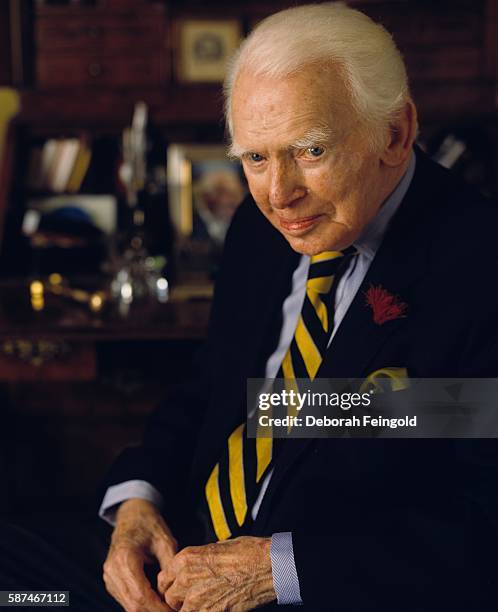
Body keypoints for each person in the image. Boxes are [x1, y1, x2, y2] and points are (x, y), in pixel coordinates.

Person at [1, 4, 497, 611]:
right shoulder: (258, 229)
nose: (280, 195)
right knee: (20, 587)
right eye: (255, 158)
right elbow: (212, 390)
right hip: (178, 559)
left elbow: (480, 525)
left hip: (316, 588)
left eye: (310, 151)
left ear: (393, 134)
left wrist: (275, 570)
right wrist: (137, 503)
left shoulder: (478, 265)